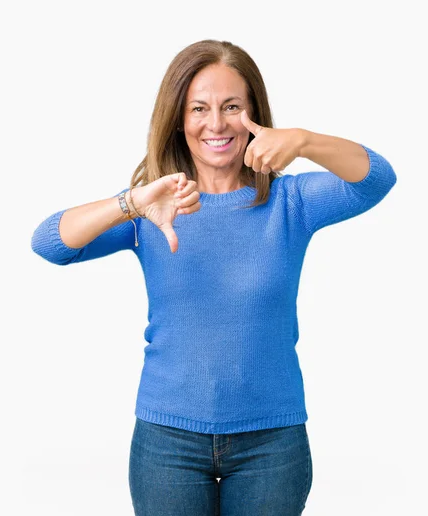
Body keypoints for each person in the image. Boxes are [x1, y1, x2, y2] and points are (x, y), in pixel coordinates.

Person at [31, 39, 397, 515]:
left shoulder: (291, 203)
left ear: (254, 114)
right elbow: (50, 244)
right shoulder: (156, 205)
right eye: (198, 108)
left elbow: (376, 179)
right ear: (179, 119)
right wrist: (132, 202)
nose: (216, 123)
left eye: (231, 107)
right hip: (168, 443)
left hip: (272, 444)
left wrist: (304, 140)